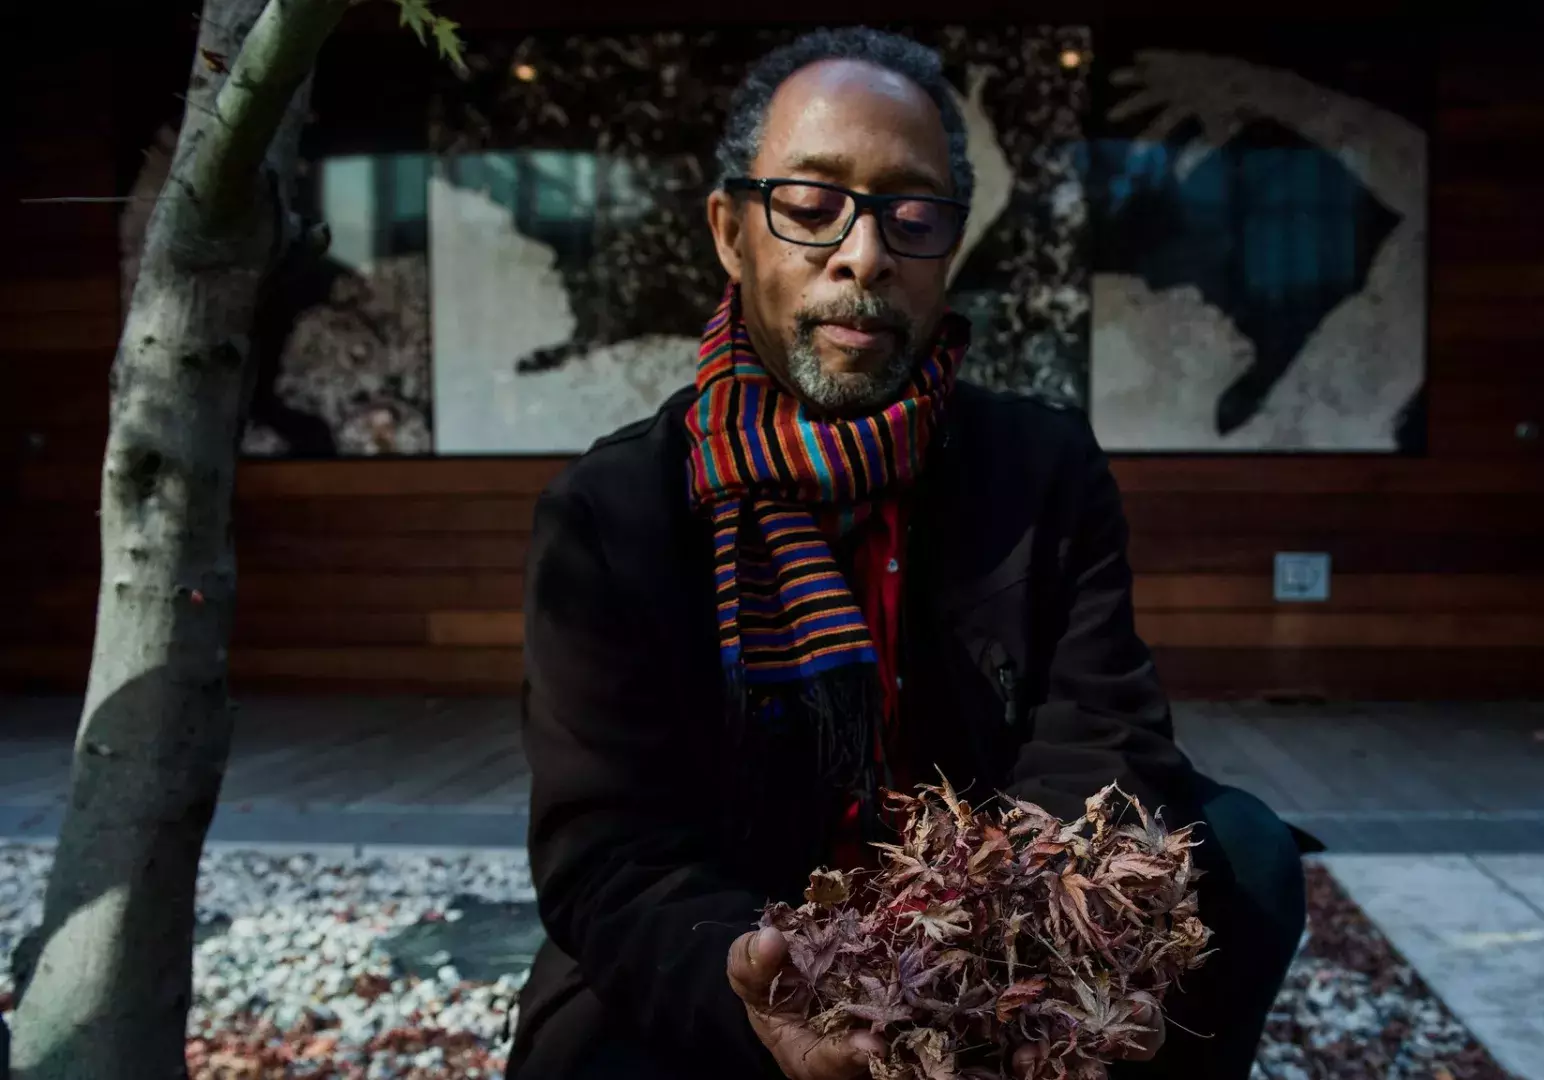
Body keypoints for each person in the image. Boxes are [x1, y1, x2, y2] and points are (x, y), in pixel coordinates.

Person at [505, 27, 1314, 1080]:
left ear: (948, 246)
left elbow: (1103, 736)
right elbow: (609, 855)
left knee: (1245, 858)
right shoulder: (612, 515)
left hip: (992, 922)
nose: (864, 252)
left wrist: (1011, 941)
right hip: (746, 943)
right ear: (730, 231)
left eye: (912, 213)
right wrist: (763, 989)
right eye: (810, 203)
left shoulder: (1042, 468)